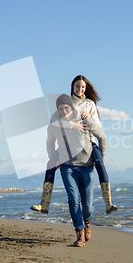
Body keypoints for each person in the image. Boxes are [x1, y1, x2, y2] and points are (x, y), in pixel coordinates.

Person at [31, 75, 117, 215]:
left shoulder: (90, 104)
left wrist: (89, 117)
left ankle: (108, 203)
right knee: (50, 165)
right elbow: (53, 120)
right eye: (77, 86)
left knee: (101, 163)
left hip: (88, 141)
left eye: (83, 87)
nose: (80, 89)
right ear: (72, 86)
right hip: (67, 143)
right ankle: (44, 204)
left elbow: (97, 126)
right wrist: (72, 124)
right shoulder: (66, 101)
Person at [46, 94, 107, 247]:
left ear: (72, 107)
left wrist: (102, 158)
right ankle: (79, 233)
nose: (64, 111)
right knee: (73, 199)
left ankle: (87, 222)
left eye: (66, 107)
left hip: (86, 165)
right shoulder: (56, 125)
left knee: (87, 205)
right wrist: (54, 158)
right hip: (67, 167)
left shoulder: (85, 119)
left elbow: (102, 137)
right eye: (60, 109)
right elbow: (49, 142)